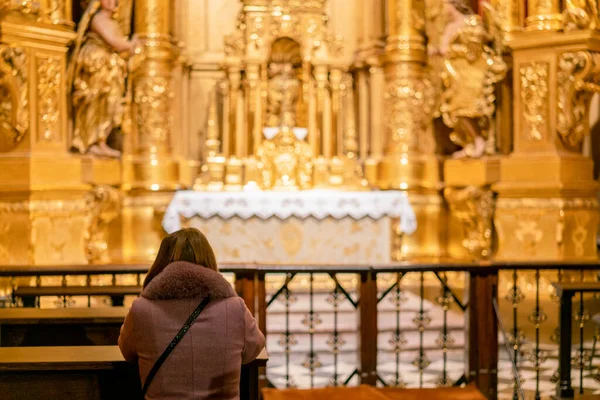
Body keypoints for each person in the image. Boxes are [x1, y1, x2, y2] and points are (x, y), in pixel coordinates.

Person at [118, 228, 265, 399]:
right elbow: (254, 348)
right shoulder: (235, 308)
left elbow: (127, 352)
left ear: (161, 262)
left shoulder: (140, 309)